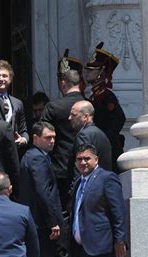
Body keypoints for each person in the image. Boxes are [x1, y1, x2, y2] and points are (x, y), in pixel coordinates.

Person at [41, 53, 85, 210]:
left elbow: (42, 135)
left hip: (60, 168)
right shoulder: (90, 105)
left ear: (63, 83)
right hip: (87, 167)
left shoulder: (53, 107)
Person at [70, 144, 127, 257]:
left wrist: (120, 240)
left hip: (101, 248)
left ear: (96, 160)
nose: (83, 162)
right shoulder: (78, 183)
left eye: (87, 158)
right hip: (82, 249)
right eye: (79, 159)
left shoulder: (107, 178)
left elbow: (118, 211)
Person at [19, 121, 65, 257]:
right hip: (43, 223)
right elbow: (43, 191)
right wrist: (52, 222)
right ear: (35, 138)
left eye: (54, 137)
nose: (52, 141)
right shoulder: (37, 158)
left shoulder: (35, 155)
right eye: (47, 137)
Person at [83, 42, 126, 173]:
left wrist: (105, 140)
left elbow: (119, 119)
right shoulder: (94, 96)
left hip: (109, 152)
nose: (87, 73)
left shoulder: (107, 96)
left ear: (101, 73)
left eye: (91, 70)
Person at [69, 100, 112, 171]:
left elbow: (82, 166)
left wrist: (77, 182)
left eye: (73, 115)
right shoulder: (101, 133)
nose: (69, 118)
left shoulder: (83, 135)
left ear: (86, 117)